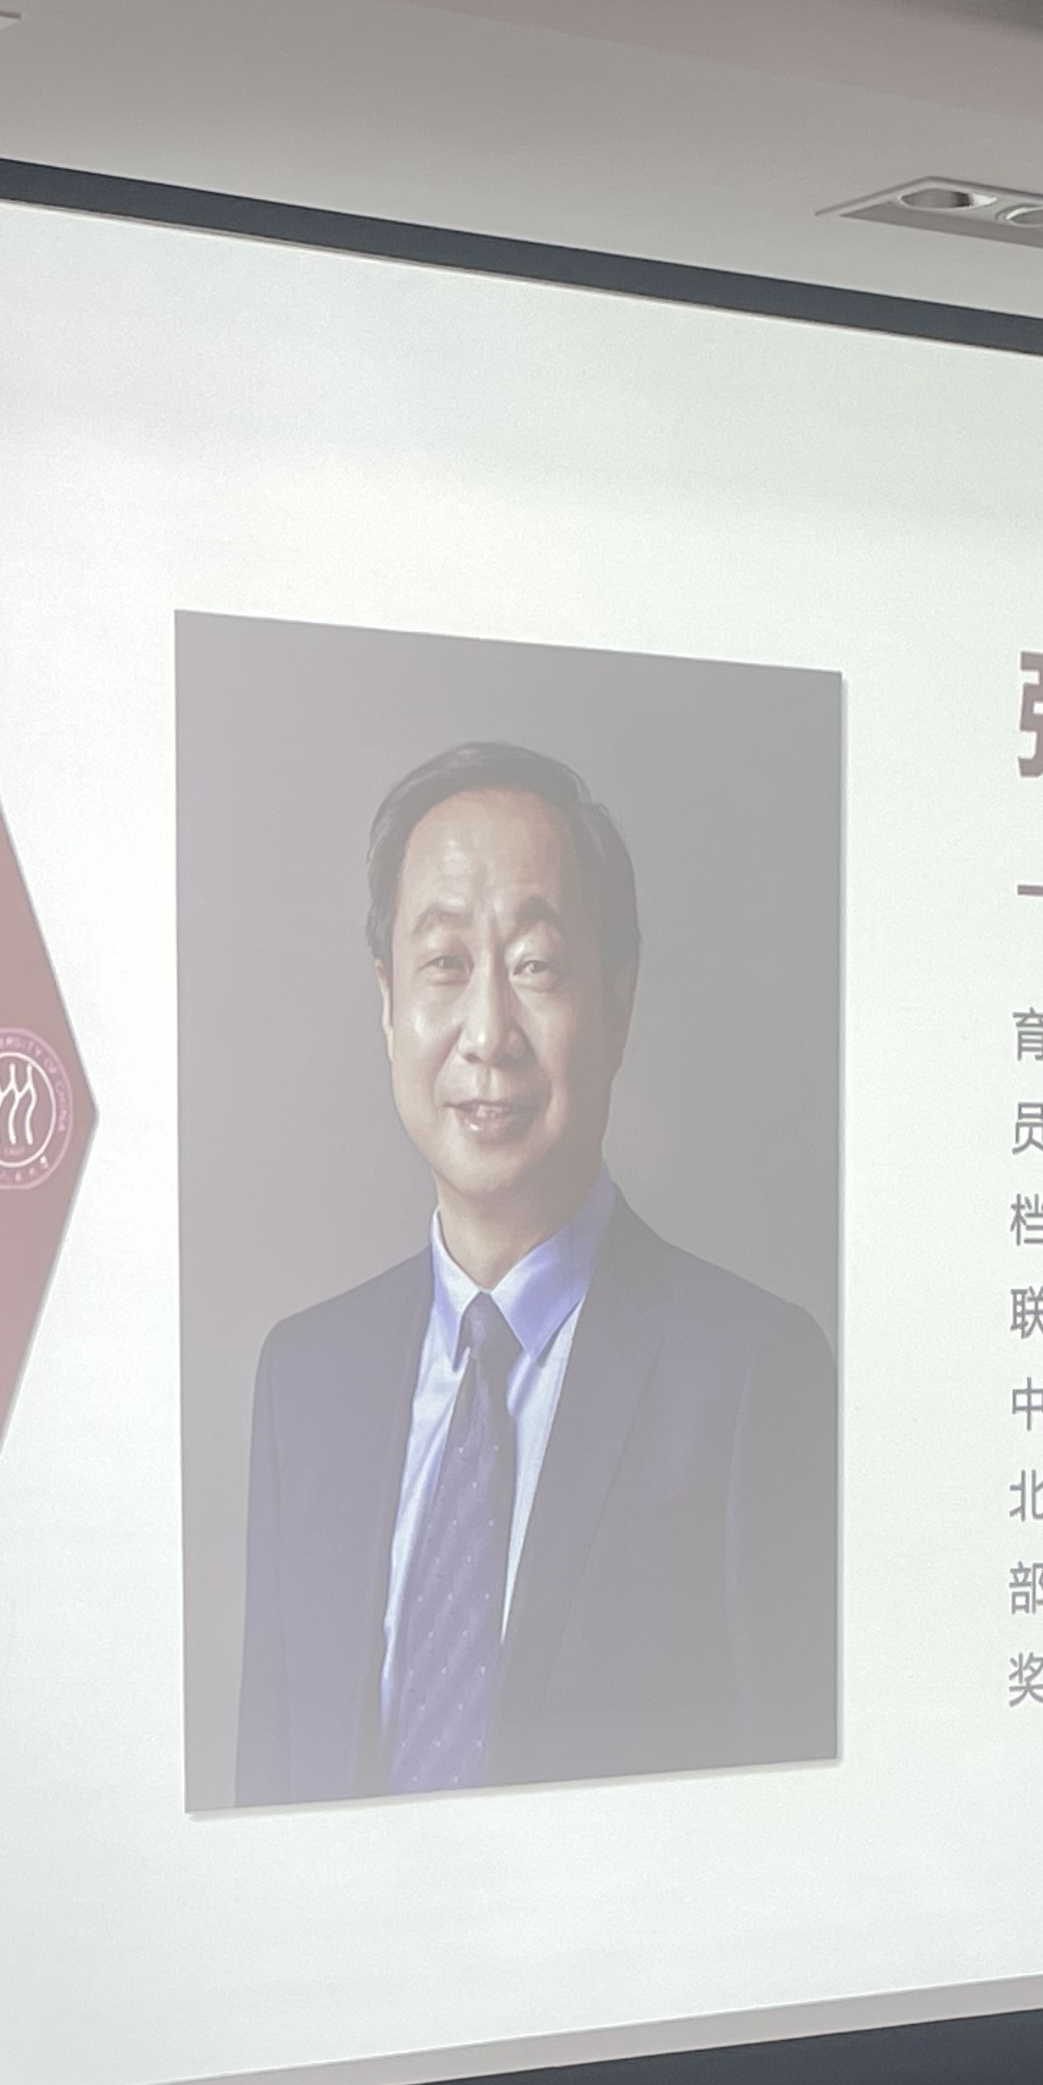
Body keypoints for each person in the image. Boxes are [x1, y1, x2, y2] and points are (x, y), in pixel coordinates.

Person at [234, 742, 837, 1805]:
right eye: (444, 964)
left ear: (617, 1003)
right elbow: (266, 1808)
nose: (488, 1035)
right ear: (386, 1002)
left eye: (535, 966)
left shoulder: (751, 1381)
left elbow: (790, 1832)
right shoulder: (305, 1383)